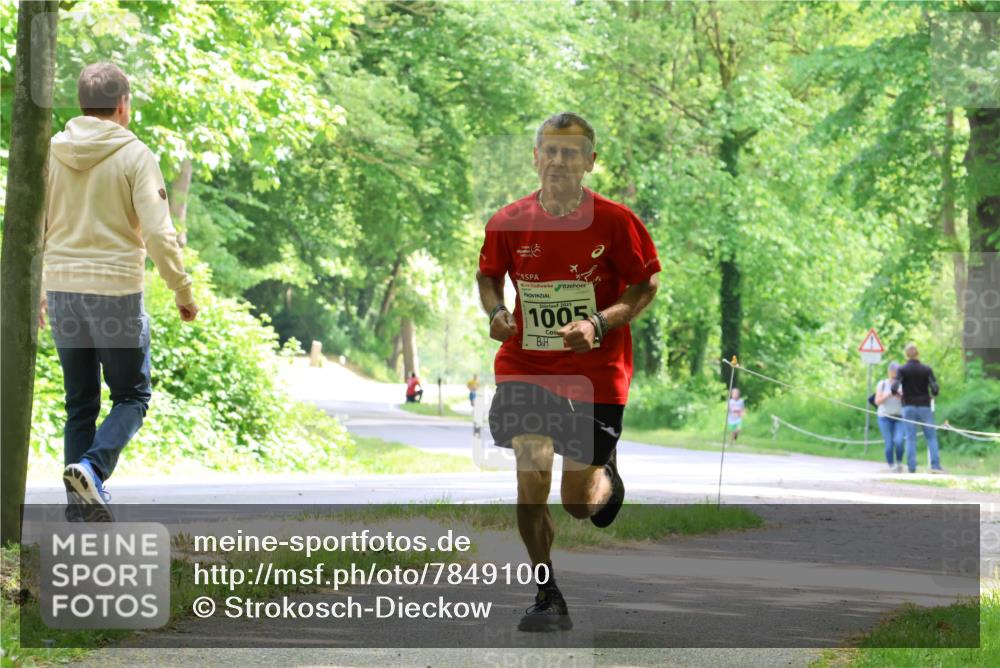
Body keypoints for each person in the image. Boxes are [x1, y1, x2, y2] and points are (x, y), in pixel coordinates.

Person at [477, 112, 660, 632]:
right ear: (536, 157)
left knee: (578, 505)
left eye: (571, 152)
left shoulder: (617, 222)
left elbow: (645, 285)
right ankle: (546, 592)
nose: (559, 160)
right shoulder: (508, 220)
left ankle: (604, 474)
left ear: (589, 162)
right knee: (530, 479)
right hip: (526, 367)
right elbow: (488, 276)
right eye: (550, 151)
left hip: (595, 373)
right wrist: (495, 312)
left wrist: (600, 323)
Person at [39, 63, 198, 521]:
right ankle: (91, 467)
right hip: (115, 294)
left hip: (64, 290)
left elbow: (34, 224)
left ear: (82, 104)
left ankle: (79, 507)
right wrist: (181, 290)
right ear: (124, 104)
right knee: (131, 395)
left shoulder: (51, 152)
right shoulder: (135, 156)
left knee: (80, 400)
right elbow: (159, 233)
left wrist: (38, 291)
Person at [893, 343, 944, 474]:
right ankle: (935, 465)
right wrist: (932, 395)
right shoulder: (926, 370)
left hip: (908, 406)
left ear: (906, 355)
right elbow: (935, 388)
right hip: (924, 407)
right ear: (917, 353)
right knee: (931, 437)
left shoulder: (902, 370)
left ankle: (911, 467)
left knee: (910, 437)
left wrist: (898, 395)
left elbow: (894, 387)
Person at [875, 361, 905, 473]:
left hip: (899, 418)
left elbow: (908, 402)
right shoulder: (882, 384)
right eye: (892, 373)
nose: (894, 376)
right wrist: (888, 394)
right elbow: (877, 401)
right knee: (889, 443)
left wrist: (900, 396)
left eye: (896, 374)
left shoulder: (903, 385)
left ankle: (899, 462)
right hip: (884, 417)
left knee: (899, 441)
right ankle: (891, 465)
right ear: (889, 373)